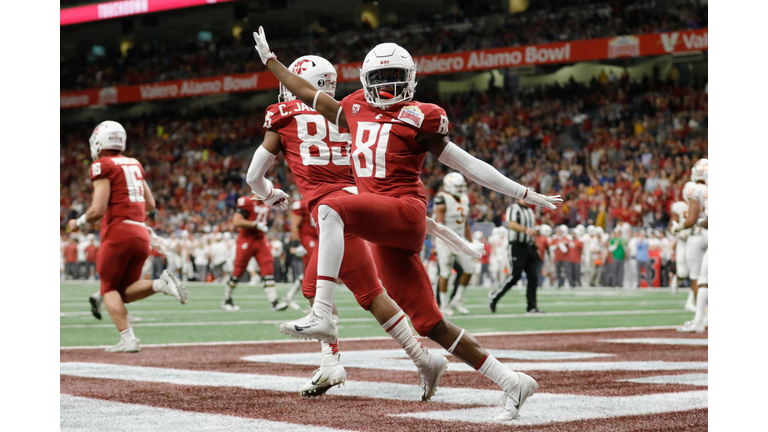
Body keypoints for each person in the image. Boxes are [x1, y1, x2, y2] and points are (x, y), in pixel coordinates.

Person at [253, 30, 561, 420]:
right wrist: (271, 62)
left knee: (330, 208)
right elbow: (304, 91)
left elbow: (469, 165)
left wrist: (524, 194)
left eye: (395, 75)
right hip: (383, 229)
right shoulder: (353, 108)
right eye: (380, 78)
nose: (387, 84)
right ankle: (512, 381)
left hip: (404, 211)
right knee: (429, 322)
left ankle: (322, 312)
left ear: (412, 76)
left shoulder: (422, 116)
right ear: (366, 80)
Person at [244, 54, 482, 399]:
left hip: (339, 214)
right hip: (367, 205)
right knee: (327, 289)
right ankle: (342, 363)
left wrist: (269, 194)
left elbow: (254, 176)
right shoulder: (354, 111)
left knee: (362, 294)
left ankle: (403, 359)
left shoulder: (285, 116)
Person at [68, 120, 187, 353]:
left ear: (99, 141)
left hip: (119, 232)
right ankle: (160, 284)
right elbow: (150, 203)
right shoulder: (134, 163)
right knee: (124, 292)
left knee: (107, 288)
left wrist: (77, 222)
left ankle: (128, 339)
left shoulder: (102, 165)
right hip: (140, 233)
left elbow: (97, 210)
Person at [222, 194, 288, 312]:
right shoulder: (247, 201)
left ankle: (274, 302)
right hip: (246, 239)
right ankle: (227, 299)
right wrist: (255, 224)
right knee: (238, 271)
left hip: (260, 239)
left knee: (268, 267)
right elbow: (236, 221)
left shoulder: (266, 204)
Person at [672, 158, 708, 332]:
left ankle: (702, 317)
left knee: (699, 279)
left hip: (697, 236)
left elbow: (692, 218)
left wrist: (679, 226)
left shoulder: (694, 189)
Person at [489, 199, 543, 313]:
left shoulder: (530, 211)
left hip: (529, 246)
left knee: (533, 277)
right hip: (517, 246)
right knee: (515, 276)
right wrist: (525, 229)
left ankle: (532, 306)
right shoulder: (514, 209)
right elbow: (511, 224)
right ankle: (495, 296)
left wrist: (536, 247)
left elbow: (532, 231)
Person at [432, 173, 475, 315]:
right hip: (444, 239)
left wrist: (471, 241)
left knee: (469, 269)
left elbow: (466, 223)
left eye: (462, 186)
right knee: (445, 272)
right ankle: (444, 305)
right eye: (458, 186)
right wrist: (444, 242)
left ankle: (457, 299)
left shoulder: (464, 199)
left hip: (460, 239)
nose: (461, 189)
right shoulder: (442, 198)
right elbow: (439, 224)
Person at [282, 199, 316, 310]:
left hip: (319, 237)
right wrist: (296, 244)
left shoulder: (321, 198)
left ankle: (290, 295)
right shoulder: (301, 204)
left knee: (311, 272)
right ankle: (316, 306)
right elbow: (294, 225)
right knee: (313, 270)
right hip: (308, 239)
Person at [669, 199, 694, 308]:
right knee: (683, 273)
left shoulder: (704, 203)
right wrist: (676, 229)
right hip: (683, 242)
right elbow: (671, 226)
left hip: (696, 240)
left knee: (696, 273)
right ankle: (677, 277)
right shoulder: (679, 207)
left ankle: (690, 301)